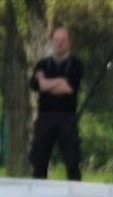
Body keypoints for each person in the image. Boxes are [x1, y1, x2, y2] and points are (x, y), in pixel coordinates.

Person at [29, 27, 84, 181]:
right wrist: (59, 81)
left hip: (67, 117)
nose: (59, 44)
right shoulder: (42, 64)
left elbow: (68, 88)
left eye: (63, 40)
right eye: (56, 40)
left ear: (69, 43)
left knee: (72, 161)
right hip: (45, 117)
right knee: (39, 160)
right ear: (52, 42)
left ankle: (75, 195)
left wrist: (46, 82)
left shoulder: (76, 65)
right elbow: (37, 86)